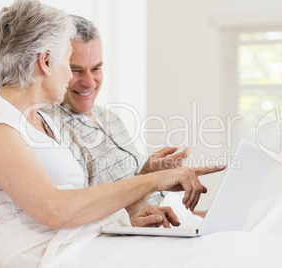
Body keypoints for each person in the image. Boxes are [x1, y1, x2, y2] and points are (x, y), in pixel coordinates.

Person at [0, 0, 224, 267]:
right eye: (69, 61)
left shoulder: (41, 119)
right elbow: (52, 209)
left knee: (215, 246)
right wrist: (152, 181)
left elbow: (77, 209)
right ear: (45, 61)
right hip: (43, 256)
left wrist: (127, 220)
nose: (71, 75)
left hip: (83, 243)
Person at [42, 15, 204, 217]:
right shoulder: (48, 126)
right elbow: (84, 213)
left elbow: (146, 189)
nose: (90, 82)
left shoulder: (109, 117)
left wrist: (153, 174)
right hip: (141, 227)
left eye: (96, 68)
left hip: (174, 212)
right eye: (76, 70)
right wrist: (150, 180)